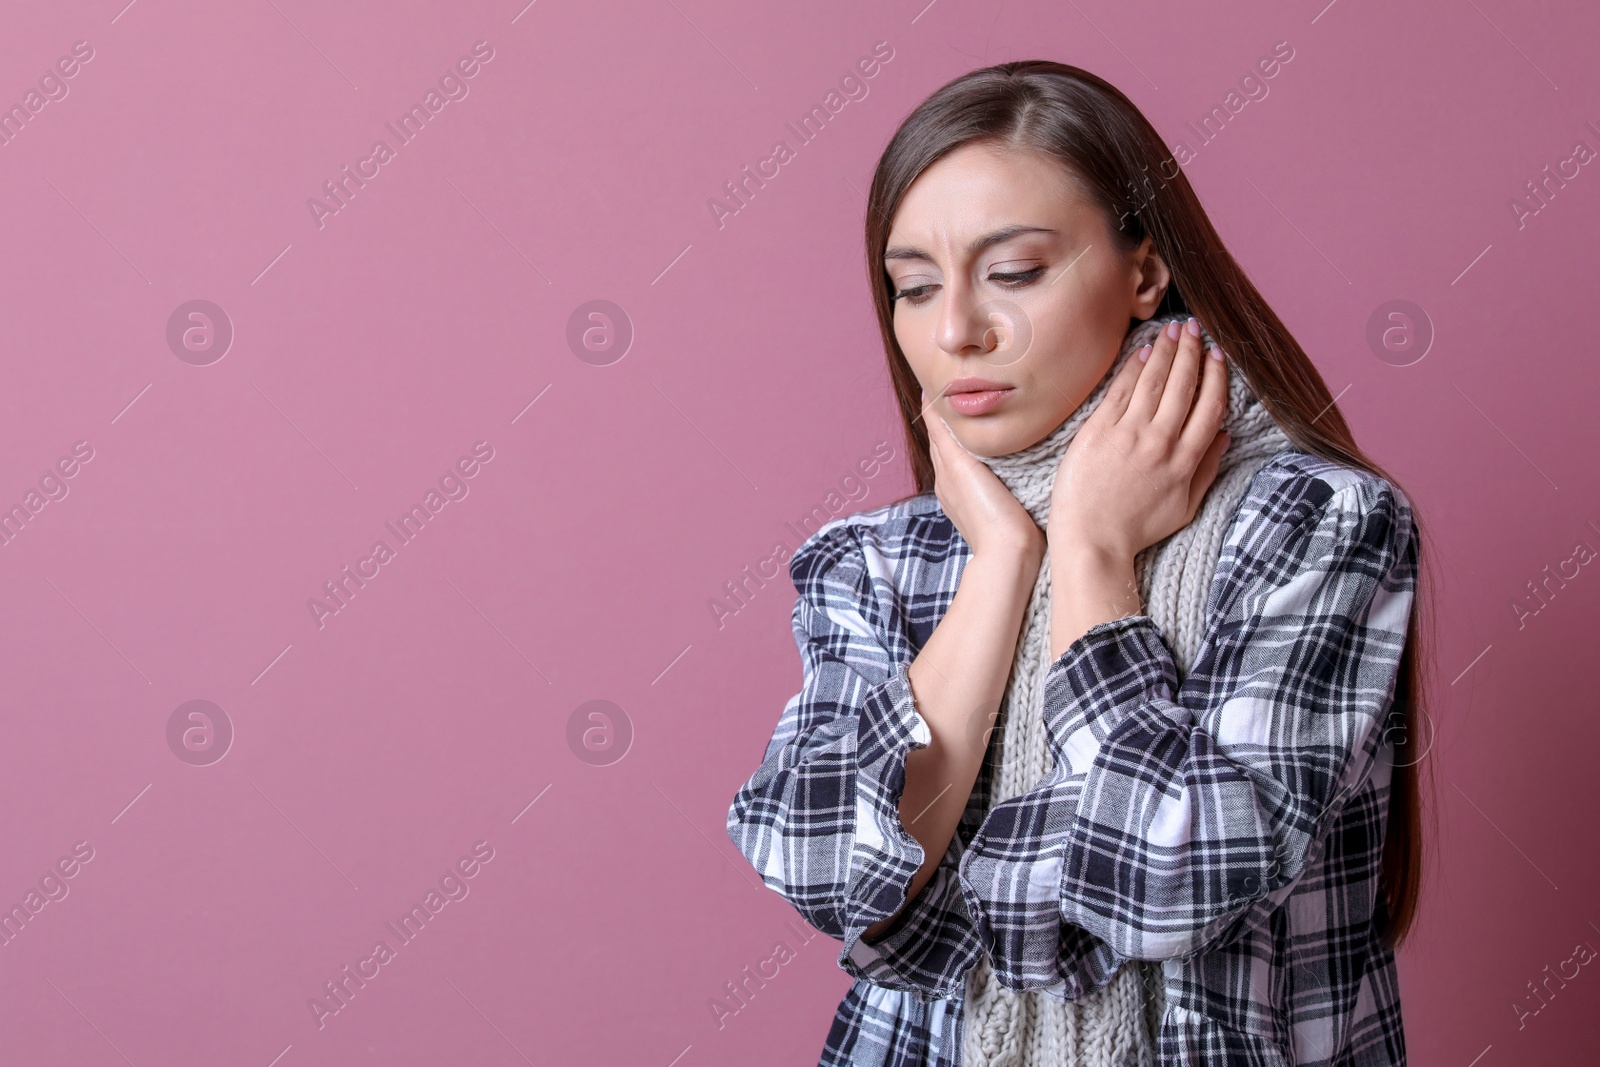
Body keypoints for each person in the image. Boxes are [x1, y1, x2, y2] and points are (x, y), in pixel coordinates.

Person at [726, 60, 1434, 1067]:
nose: (956, 329)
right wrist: (1009, 558)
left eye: (1012, 272)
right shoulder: (879, 562)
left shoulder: (1315, 522)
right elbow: (825, 870)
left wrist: (1095, 554)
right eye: (913, 286)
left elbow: (1172, 879)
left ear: (1144, 271)